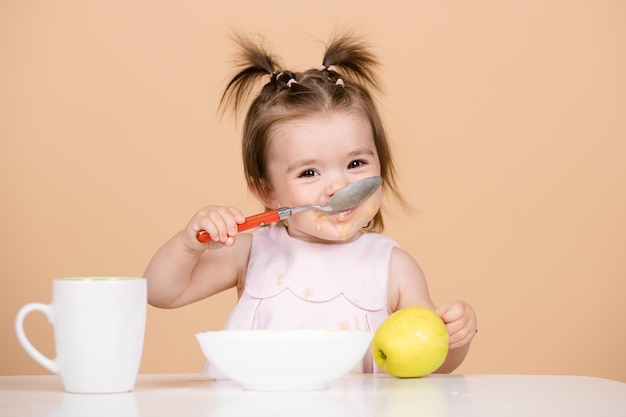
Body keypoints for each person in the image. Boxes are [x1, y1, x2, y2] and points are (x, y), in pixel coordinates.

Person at [144, 32, 477, 375]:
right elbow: (160, 292)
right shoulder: (253, 252)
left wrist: (455, 339)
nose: (337, 186)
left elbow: (428, 359)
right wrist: (189, 244)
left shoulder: (393, 267)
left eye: (355, 164)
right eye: (309, 173)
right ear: (267, 192)